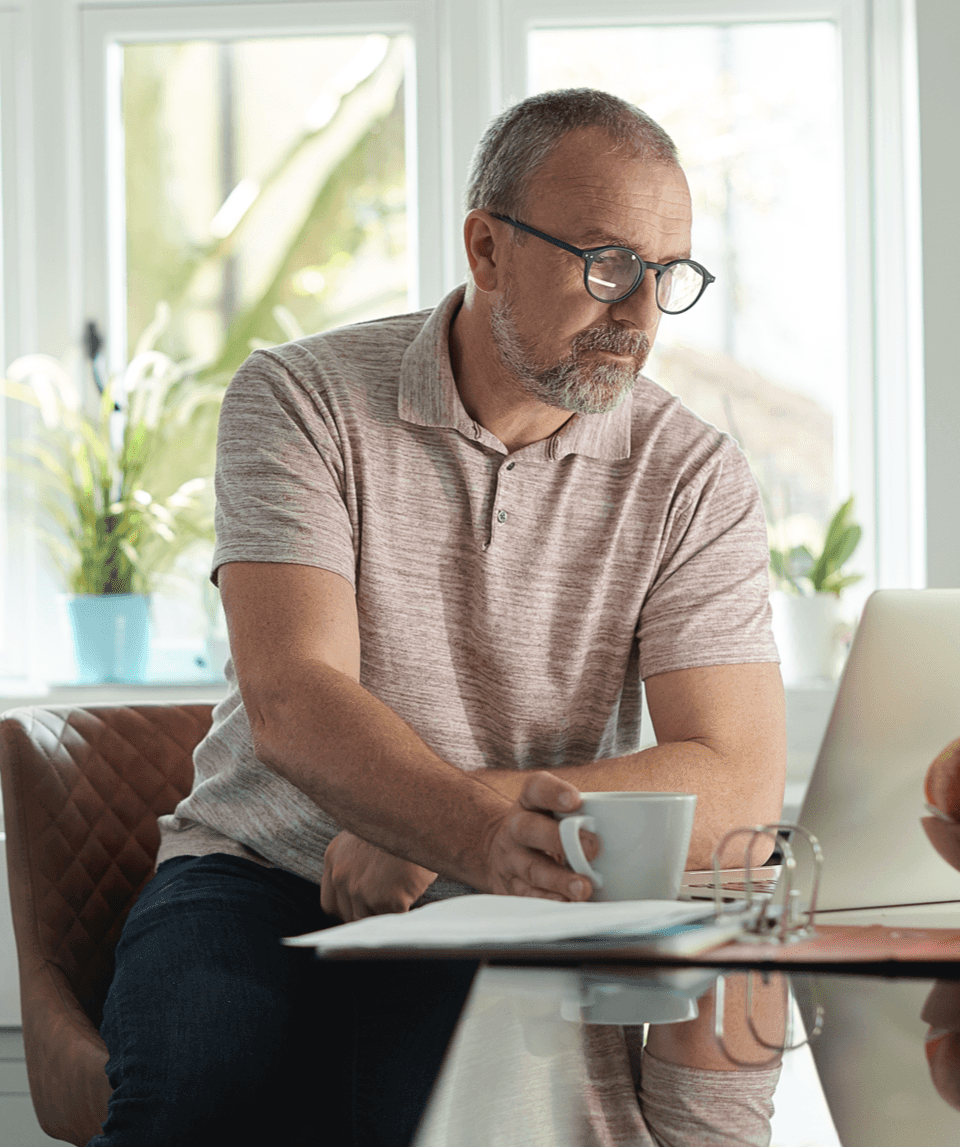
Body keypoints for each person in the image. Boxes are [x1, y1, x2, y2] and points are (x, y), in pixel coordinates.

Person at [89, 88, 787, 1146]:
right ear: (487, 246)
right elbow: (291, 696)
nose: (640, 315)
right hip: (256, 873)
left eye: (667, 276)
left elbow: (733, 774)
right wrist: (462, 827)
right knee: (195, 1083)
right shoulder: (299, 398)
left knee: (446, 1108)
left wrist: (445, 830)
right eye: (605, 264)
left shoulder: (692, 473)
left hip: (510, 892)